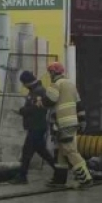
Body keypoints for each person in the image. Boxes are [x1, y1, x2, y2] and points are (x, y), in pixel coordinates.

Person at [43, 62, 93, 190]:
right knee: (61, 152)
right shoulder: (71, 84)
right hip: (72, 123)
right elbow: (79, 104)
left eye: (50, 72)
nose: (49, 75)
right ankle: (59, 180)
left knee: (70, 151)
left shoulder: (56, 84)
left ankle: (86, 179)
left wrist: (41, 101)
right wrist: (82, 120)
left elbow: (50, 101)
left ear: (54, 72)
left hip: (63, 124)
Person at [12, 71, 58, 185]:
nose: (23, 86)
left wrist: (22, 111)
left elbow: (37, 108)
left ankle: (22, 177)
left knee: (27, 152)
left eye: (23, 83)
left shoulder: (38, 91)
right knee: (42, 151)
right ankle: (58, 170)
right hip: (36, 126)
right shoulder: (35, 90)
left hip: (37, 126)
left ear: (27, 82)